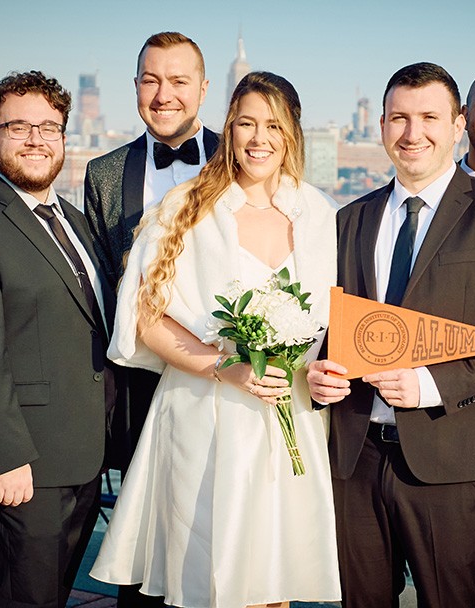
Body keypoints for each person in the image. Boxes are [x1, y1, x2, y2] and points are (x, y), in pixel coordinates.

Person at [90, 71, 341, 608]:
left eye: (273, 125)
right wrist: (224, 368)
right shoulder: (186, 206)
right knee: (209, 580)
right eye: (245, 123)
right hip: (202, 412)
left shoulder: (318, 212)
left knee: (276, 580)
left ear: (293, 131)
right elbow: (143, 317)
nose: (259, 138)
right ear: (228, 128)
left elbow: (329, 321)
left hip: (290, 414)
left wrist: (318, 368)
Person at [307, 62, 475, 608]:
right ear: (382, 126)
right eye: (399, 118)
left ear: (458, 123)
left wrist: (433, 384)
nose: (412, 133)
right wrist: (315, 370)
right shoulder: (348, 218)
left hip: (455, 455)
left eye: (428, 118)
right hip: (355, 455)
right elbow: (326, 325)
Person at [0, 71, 114, 608]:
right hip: (24, 464)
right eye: (19, 127)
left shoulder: (75, 221)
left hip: (81, 454)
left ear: (64, 137)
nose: (36, 139)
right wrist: (5, 457)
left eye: (49, 128)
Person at [84, 32, 218, 477]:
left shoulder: (239, 159)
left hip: (225, 378)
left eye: (179, 81)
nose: (164, 96)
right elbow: (105, 283)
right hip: (139, 386)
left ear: (203, 88)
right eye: (150, 81)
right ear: (136, 86)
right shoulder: (102, 174)